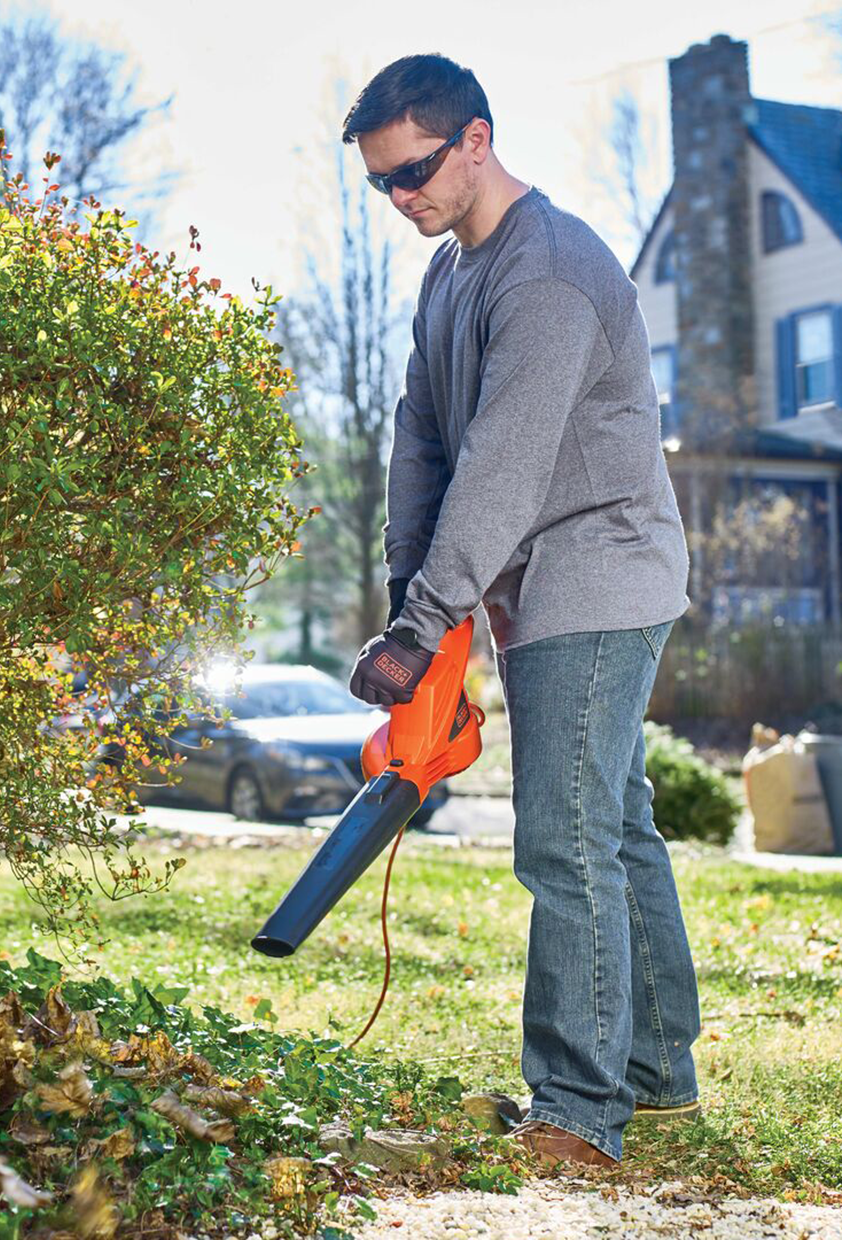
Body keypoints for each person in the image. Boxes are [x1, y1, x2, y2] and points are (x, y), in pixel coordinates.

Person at [343, 54, 701, 1168]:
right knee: (615, 822)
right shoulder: (450, 273)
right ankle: (652, 1072)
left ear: (474, 141)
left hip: (595, 575)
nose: (400, 198)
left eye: (411, 171)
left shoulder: (544, 274)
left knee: (563, 836)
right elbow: (420, 434)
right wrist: (415, 602)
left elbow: (497, 466)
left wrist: (425, 621)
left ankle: (577, 1111)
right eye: (378, 185)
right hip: (532, 581)